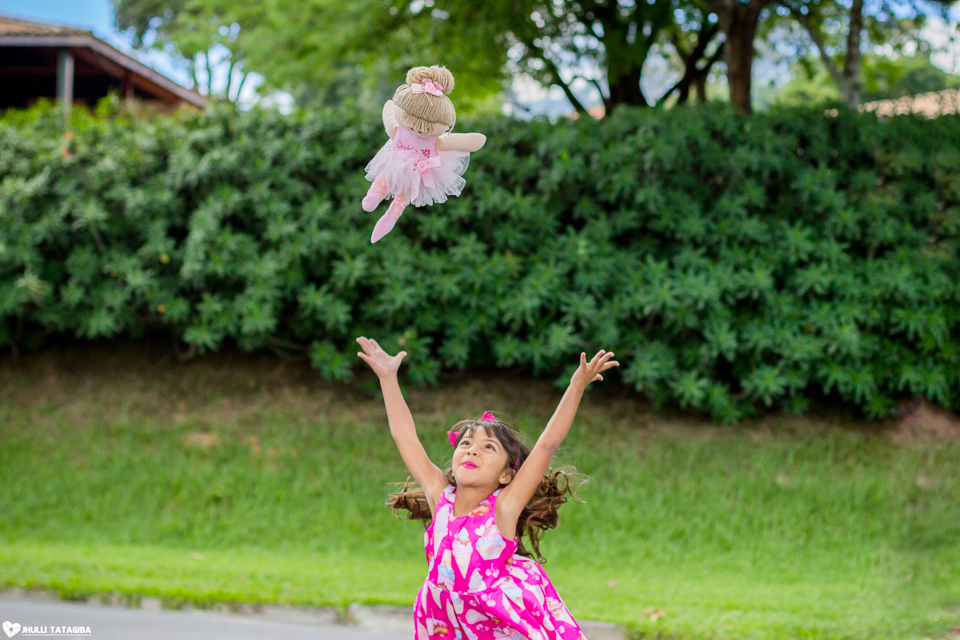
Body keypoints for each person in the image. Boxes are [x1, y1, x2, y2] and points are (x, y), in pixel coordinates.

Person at [356, 336, 618, 640]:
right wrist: (388, 378)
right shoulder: (440, 495)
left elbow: (547, 444)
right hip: (445, 619)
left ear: (506, 475)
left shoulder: (503, 508)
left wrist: (576, 386)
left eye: (488, 447)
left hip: (493, 623)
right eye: (466, 443)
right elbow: (405, 435)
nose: (472, 450)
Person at [361, 65, 487, 243]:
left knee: (404, 195)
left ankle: (391, 217)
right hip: (394, 161)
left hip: (417, 171)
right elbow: (389, 116)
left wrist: (474, 141)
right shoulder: (398, 131)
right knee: (385, 175)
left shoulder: (435, 142)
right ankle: (374, 195)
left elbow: (459, 141)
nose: (416, 128)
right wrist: (389, 108)